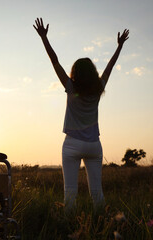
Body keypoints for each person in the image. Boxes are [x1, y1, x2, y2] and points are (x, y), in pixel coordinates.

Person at [33, 18, 129, 208]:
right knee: (97, 192)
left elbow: (55, 61)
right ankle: (102, 226)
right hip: (94, 145)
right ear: (93, 73)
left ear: (75, 72)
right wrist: (119, 46)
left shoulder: (70, 86)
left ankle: (70, 230)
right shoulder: (99, 87)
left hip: (72, 145)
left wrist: (44, 38)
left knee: (70, 193)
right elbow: (110, 66)